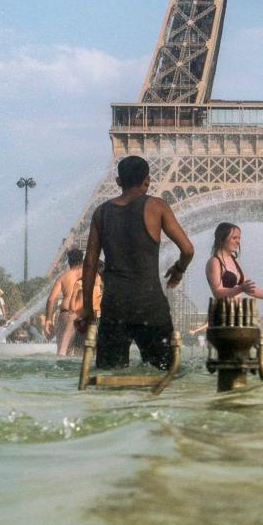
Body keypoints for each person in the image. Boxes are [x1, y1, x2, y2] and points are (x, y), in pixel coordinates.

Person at [81, 156, 195, 369]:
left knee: (108, 374)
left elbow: (89, 263)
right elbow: (188, 249)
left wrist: (87, 308)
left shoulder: (101, 212)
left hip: (115, 307)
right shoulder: (156, 206)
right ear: (147, 180)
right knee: (166, 372)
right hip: (150, 306)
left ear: (118, 181)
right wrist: (179, 269)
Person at [206, 222, 263, 303]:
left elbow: (250, 288)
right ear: (222, 239)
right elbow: (217, 293)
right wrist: (240, 288)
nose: (238, 242)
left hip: (237, 311)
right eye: (234, 238)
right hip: (223, 313)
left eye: (239, 238)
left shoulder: (232, 260)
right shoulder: (215, 262)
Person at [45, 248, 86, 357]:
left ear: (69, 261)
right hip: (83, 316)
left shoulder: (63, 277)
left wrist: (48, 319)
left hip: (66, 314)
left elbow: (50, 299)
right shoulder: (89, 275)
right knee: (80, 354)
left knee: (62, 352)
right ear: (81, 261)